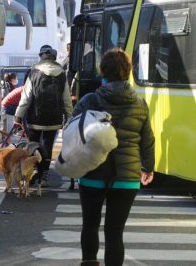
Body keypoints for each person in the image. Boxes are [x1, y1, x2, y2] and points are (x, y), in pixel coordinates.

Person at [72, 48, 155, 266]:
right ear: (128, 71)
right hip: (126, 178)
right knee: (115, 233)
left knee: (90, 225)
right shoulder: (140, 103)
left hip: (92, 172)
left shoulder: (90, 100)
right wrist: (148, 167)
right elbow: (147, 140)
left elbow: (71, 129)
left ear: (103, 71)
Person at [15, 45, 73, 187]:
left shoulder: (33, 73)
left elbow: (26, 98)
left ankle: (33, 170)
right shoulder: (61, 74)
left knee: (33, 145)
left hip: (35, 117)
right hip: (54, 118)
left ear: (41, 57)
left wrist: (18, 116)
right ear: (54, 58)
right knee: (47, 145)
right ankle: (44, 176)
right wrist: (69, 116)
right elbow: (66, 99)